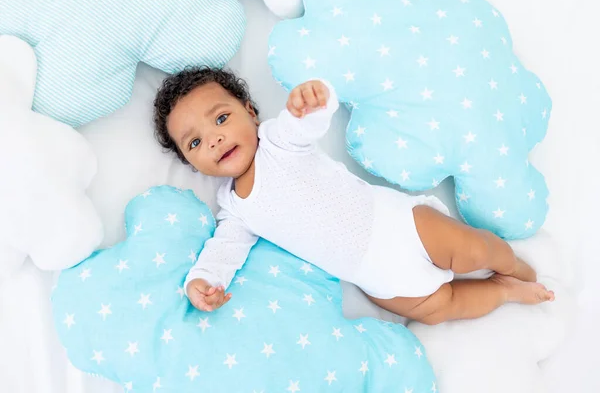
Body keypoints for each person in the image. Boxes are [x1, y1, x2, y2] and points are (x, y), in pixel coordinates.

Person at [153, 67, 554, 325]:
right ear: (192, 163)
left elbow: (306, 125)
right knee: (439, 309)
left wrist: (310, 100)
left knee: (474, 250)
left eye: (221, 118)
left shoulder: (278, 141)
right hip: (378, 279)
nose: (215, 138)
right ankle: (503, 291)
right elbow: (223, 252)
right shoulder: (235, 210)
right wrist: (201, 281)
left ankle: (511, 264)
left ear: (250, 112)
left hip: (401, 229)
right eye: (195, 142)